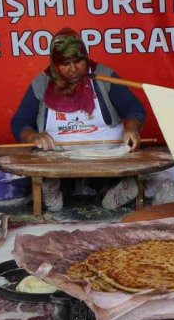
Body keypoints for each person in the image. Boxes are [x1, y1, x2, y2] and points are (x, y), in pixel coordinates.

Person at [9, 28, 146, 211]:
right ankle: (52, 187)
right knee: (51, 179)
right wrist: (33, 137)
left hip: (107, 156)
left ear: (86, 57)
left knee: (114, 175)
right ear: (55, 64)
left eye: (78, 61)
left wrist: (132, 128)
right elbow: (19, 122)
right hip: (59, 158)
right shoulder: (42, 83)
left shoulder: (104, 76)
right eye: (65, 63)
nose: (73, 69)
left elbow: (134, 109)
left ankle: (114, 190)